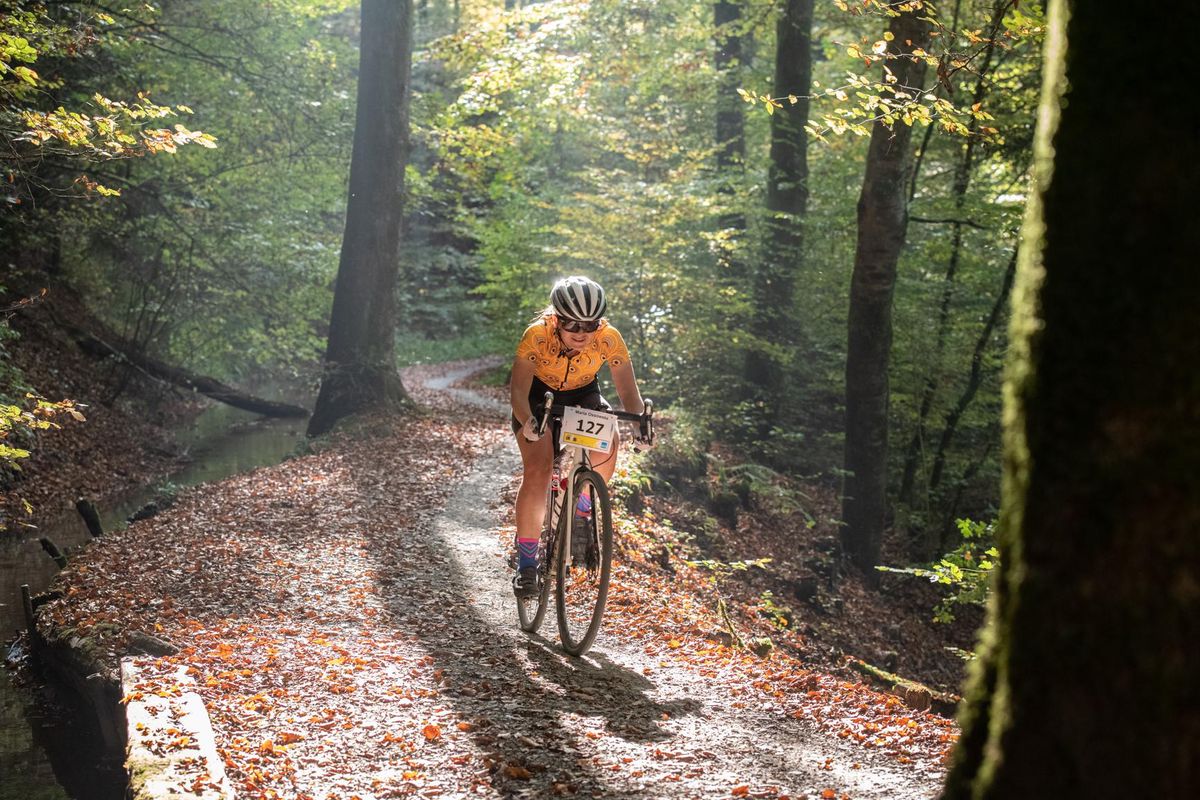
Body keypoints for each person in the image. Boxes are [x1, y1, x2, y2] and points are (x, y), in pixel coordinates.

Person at [509, 276, 647, 597]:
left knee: (609, 439)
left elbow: (629, 393)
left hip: (583, 394)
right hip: (537, 398)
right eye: (572, 325)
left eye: (590, 325)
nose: (582, 334)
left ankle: (582, 503)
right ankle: (527, 565)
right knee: (539, 470)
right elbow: (517, 392)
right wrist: (528, 421)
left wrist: (640, 423)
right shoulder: (537, 335)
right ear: (557, 319)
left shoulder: (609, 338)